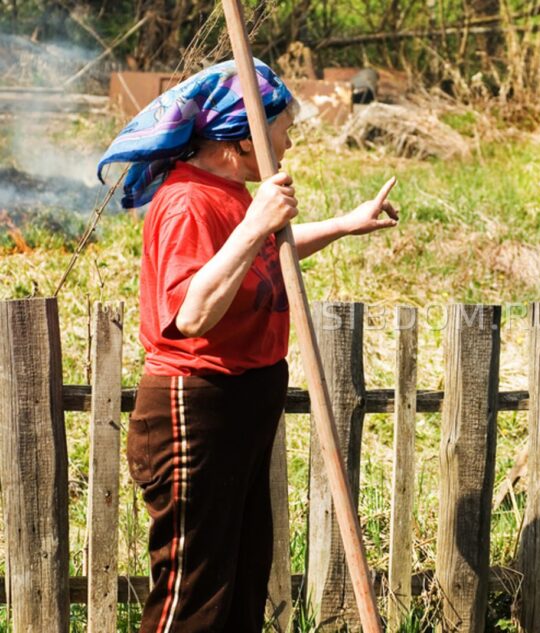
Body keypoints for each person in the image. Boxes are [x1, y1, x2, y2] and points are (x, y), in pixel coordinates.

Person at [97, 59, 398, 632]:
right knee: (195, 595)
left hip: (241, 403)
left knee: (241, 586)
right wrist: (255, 224)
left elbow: (259, 256)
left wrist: (344, 224)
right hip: (197, 407)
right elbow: (192, 313)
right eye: (281, 127)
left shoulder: (232, 192)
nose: (288, 141)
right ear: (239, 139)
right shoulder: (188, 201)